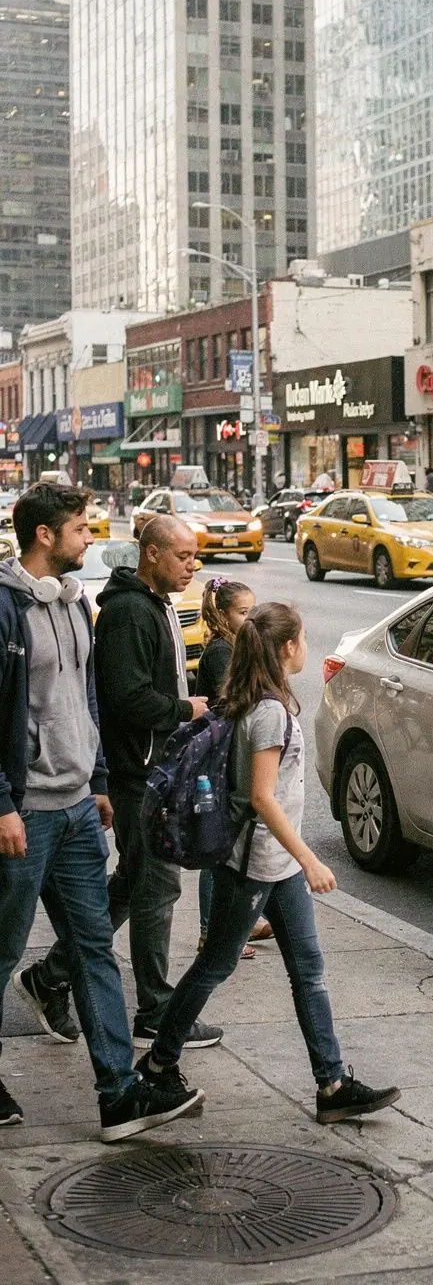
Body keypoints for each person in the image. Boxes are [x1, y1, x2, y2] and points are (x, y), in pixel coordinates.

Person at [136, 601, 402, 1125]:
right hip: (257, 865)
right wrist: (309, 859)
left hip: (275, 867)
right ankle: (160, 1064)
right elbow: (262, 796)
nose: (306, 646)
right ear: (286, 648)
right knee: (216, 964)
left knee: (309, 969)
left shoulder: (260, 701)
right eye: (301, 638)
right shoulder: (270, 712)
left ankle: (331, 1084)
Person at [0, 482, 202, 1139]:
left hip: (79, 808)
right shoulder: (8, 610)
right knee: (2, 952)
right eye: (82, 529)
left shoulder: (72, 603)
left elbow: (84, 700)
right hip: (24, 813)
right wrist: (2, 804)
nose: (91, 539)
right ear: (45, 536)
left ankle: (118, 1095)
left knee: (92, 949)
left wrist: (100, 779)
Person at [23, 516, 222, 1051]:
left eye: (194, 555)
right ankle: (155, 1010)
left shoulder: (152, 605)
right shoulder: (130, 612)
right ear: (152, 554)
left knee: (137, 882)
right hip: (138, 772)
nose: (192, 565)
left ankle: (50, 976)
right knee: (157, 887)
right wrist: (187, 709)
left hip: (149, 767)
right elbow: (125, 698)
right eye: (183, 556)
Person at [196, 577, 270, 960]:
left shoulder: (235, 646)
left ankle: (242, 922)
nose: (251, 619)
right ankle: (213, 933)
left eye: (253, 612)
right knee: (218, 852)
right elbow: (231, 704)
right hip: (222, 760)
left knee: (233, 846)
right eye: (244, 613)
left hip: (228, 756)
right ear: (221, 614)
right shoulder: (222, 651)